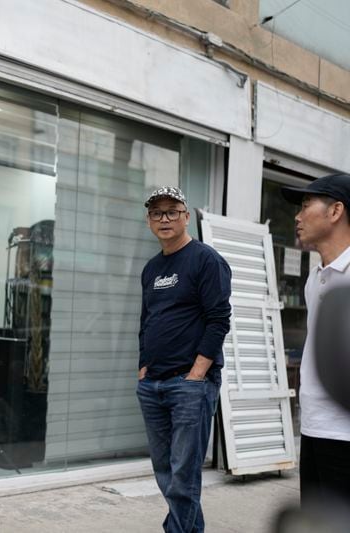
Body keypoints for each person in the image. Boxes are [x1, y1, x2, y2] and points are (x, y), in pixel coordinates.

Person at [136, 186, 231, 533]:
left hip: (188, 385)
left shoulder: (206, 260)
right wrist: (143, 368)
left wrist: (197, 373)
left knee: (183, 474)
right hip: (154, 383)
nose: (164, 218)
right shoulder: (151, 269)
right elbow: (146, 320)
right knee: (166, 471)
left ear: (186, 216)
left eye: (172, 211)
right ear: (149, 221)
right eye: (157, 213)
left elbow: (219, 319)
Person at [280, 173, 350, 506]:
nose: (297, 215)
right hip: (314, 425)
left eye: (306, 205)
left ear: (336, 211)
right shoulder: (316, 277)